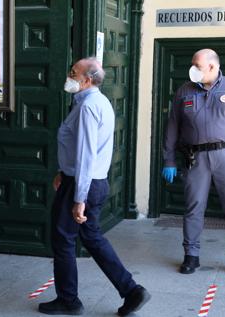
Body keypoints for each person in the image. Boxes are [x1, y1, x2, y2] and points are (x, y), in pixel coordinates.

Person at [39, 58, 150, 316]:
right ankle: (132, 290)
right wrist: (62, 171)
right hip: (88, 181)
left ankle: (69, 300)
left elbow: (86, 154)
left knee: (63, 240)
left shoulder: (88, 106)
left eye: (74, 72)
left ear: (87, 79)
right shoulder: (97, 102)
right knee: (91, 237)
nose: (69, 75)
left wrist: (79, 197)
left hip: (82, 184)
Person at [162, 49, 225, 278]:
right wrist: (168, 159)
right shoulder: (184, 91)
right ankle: (191, 256)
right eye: (192, 64)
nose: (192, 69)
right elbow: (172, 128)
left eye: (197, 65)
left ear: (212, 66)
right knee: (193, 207)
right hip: (195, 157)